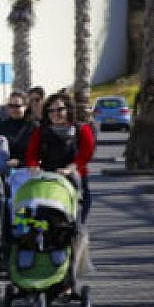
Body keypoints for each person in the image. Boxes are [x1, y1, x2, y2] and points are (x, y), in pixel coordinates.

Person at [25, 91, 96, 224]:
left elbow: (87, 152)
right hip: (48, 176)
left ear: (68, 109)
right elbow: (32, 153)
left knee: (75, 216)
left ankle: (77, 227)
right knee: (41, 213)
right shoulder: (41, 131)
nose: (55, 114)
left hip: (73, 175)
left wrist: (71, 168)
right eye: (51, 111)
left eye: (59, 109)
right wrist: (34, 166)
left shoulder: (82, 129)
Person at [0, 90, 36, 166]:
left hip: (28, 169)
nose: (13, 109)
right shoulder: (0, 127)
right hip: (4, 168)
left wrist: (20, 162)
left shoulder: (34, 127)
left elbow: (39, 155)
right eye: (10, 106)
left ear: (25, 107)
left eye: (17, 106)